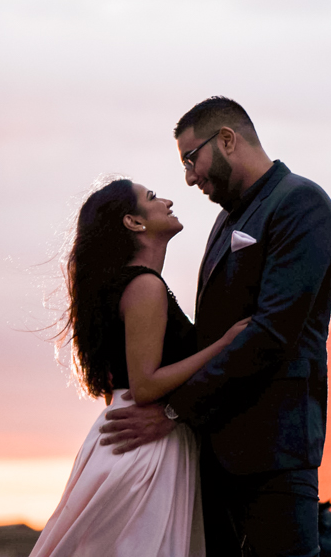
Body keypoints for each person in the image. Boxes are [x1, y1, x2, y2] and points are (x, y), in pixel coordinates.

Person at [98, 97, 331, 557]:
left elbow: (271, 335)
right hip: (212, 455)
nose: (189, 178)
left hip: (273, 454)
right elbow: (211, 336)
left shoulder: (300, 203)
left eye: (191, 159)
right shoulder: (224, 221)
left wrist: (173, 412)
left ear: (227, 139)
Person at [33, 179, 249, 556]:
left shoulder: (129, 285)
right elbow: (145, 385)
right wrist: (223, 345)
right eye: (152, 198)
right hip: (143, 446)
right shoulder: (145, 285)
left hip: (131, 438)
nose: (167, 200)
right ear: (133, 222)